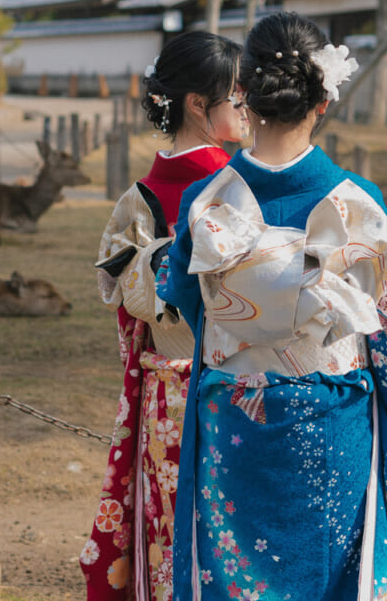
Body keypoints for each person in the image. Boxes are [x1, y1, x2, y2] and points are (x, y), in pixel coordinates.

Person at [157, 12, 387, 601]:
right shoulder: (360, 204)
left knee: (231, 577)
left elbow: (186, 304)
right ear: (322, 101)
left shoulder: (205, 202)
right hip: (332, 421)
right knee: (329, 578)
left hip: (234, 417)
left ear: (243, 93)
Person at [80, 30, 247, 601]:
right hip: (241, 387)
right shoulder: (242, 191)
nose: (247, 108)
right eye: (237, 97)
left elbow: (125, 311)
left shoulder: (137, 198)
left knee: (167, 530)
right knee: (238, 542)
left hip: (164, 396)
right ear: (198, 105)